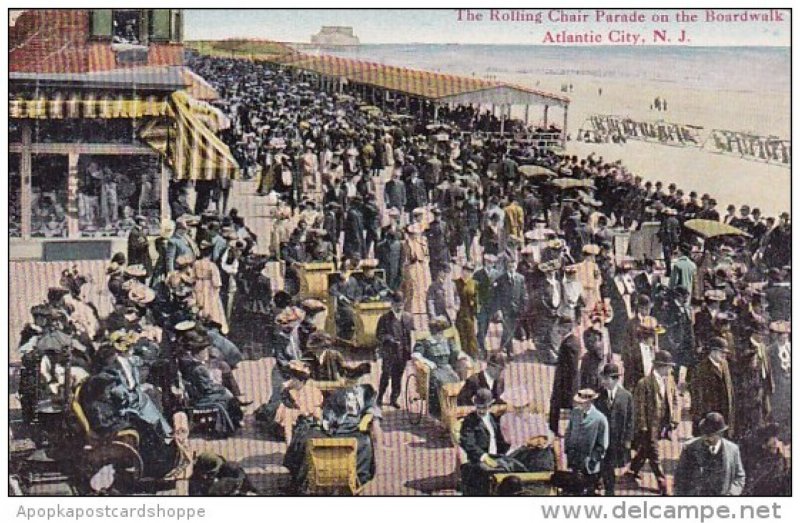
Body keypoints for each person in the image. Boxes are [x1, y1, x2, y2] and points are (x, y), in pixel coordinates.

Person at [627, 350, 679, 495]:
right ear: (660, 367)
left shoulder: (669, 381)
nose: (670, 370)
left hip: (663, 422)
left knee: (646, 449)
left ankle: (633, 469)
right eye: (668, 367)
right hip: (649, 425)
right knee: (654, 454)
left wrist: (675, 419)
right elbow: (639, 408)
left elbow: (675, 400)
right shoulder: (644, 383)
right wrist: (643, 426)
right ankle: (662, 483)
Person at [674, 412, 746, 496]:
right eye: (704, 434)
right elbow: (680, 478)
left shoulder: (733, 449)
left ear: (720, 434)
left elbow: (739, 477)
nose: (706, 438)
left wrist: (731, 494)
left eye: (710, 435)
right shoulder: (690, 448)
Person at [411, 317, 471, 417]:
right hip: (434, 370)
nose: (439, 334)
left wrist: (464, 357)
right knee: (440, 382)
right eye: (437, 332)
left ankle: (453, 407)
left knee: (456, 380)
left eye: (441, 332)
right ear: (432, 331)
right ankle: (436, 411)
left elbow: (456, 352)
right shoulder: (425, 342)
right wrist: (428, 362)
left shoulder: (447, 341)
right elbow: (415, 355)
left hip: (447, 368)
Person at [458, 388, 511, 496]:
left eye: (484, 407)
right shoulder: (470, 421)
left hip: (496, 457)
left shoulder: (492, 418)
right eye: (479, 407)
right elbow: (468, 443)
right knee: (488, 474)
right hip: (478, 460)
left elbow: (500, 440)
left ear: (490, 406)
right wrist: (484, 457)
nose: (481, 411)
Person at [594, 363, 634, 496]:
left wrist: (628, 439)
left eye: (607, 379)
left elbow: (630, 419)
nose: (604, 381)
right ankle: (601, 489)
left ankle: (609, 491)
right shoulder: (597, 396)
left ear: (616, 379)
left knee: (611, 467)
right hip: (601, 439)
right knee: (601, 465)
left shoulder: (626, 396)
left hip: (617, 440)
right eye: (603, 378)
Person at [563, 389, 609, 495]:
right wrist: (568, 450)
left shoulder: (600, 419)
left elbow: (602, 445)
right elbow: (568, 433)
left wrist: (592, 460)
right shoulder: (575, 413)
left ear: (590, 402)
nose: (579, 405)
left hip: (590, 466)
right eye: (578, 402)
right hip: (574, 462)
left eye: (582, 403)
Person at [375, 292, 415, 408]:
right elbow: (379, 334)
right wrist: (389, 339)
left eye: (401, 304)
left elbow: (411, 335)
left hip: (402, 353)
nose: (399, 307)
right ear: (392, 304)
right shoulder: (384, 318)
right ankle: (380, 398)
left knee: (398, 377)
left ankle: (394, 399)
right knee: (386, 376)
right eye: (397, 304)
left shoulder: (408, 318)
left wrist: (410, 351)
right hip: (389, 353)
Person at [690, 336, 735, 437]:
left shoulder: (725, 365)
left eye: (725, 353)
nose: (724, 355)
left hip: (725, 417)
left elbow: (730, 390)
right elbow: (697, 399)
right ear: (713, 351)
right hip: (709, 419)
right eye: (721, 352)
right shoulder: (700, 369)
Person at [548, 323, 582, 435]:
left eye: (561, 327)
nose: (559, 329)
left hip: (565, 383)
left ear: (567, 328)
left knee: (558, 405)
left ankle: (555, 430)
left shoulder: (569, 344)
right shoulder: (573, 341)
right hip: (567, 382)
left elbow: (572, 367)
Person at [491, 258, 527, 357]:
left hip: (516, 309)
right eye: (510, 266)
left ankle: (503, 348)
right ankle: (509, 351)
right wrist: (498, 309)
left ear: (516, 266)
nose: (512, 268)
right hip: (505, 309)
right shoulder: (501, 279)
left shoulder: (521, 278)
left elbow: (523, 294)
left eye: (514, 266)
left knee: (511, 329)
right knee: (508, 329)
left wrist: (523, 307)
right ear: (507, 266)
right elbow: (496, 296)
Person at [189, 452, 257, 496]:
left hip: (235, 478)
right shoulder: (205, 458)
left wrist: (210, 477)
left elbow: (216, 467)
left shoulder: (223, 469)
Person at [766, 320, 791, 440]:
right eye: (781, 334)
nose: (784, 336)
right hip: (778, 385)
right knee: (779, 412)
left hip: (790, 384)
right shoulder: (770, 350)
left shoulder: (791, 347)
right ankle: (780, 437)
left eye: (786, 333)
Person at [453, 263, 479, 359]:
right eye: (465, 271)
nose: (466, 273)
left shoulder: (474, 283)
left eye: (469, 271)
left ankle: (473, 356)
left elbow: (477, 299)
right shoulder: (455, 283)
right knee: (461, 335)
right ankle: (463, 357)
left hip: (470, 313)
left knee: (471, 335)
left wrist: (476, 312)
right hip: (458, 313)